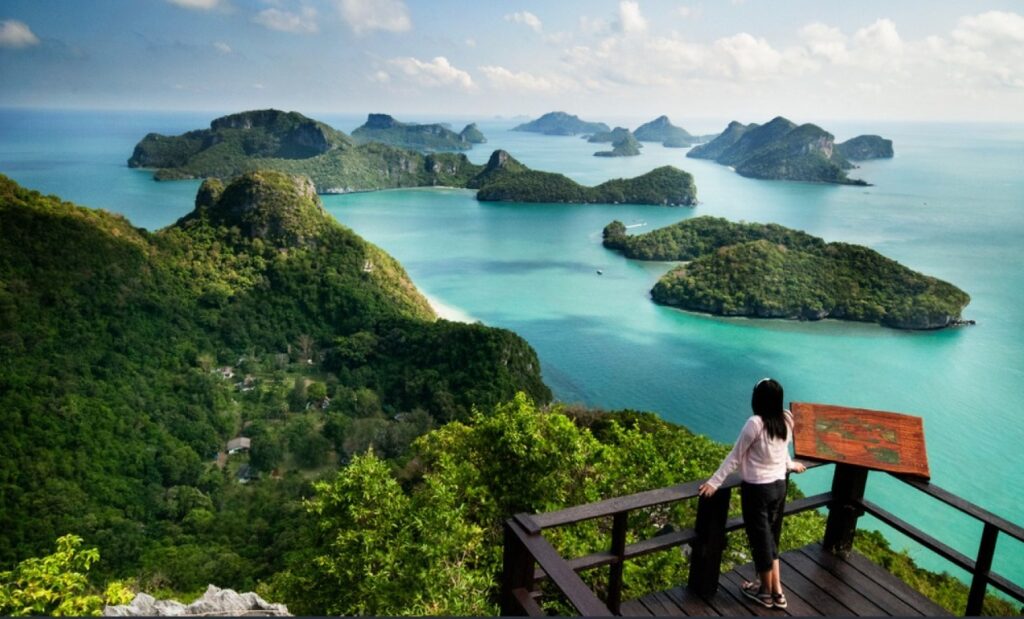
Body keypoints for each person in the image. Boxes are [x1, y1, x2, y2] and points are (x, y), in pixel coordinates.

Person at [698, 377, 806, 609]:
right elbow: (782, 448)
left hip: (758, 490)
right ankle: (776, 590)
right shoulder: (786, 419)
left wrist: (714, 482)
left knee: (761, 541)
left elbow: (735, 457)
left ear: (757, 399)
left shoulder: (755, 423)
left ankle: (765, 593)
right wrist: (790, 465)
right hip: (779, 486)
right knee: (768, 538)